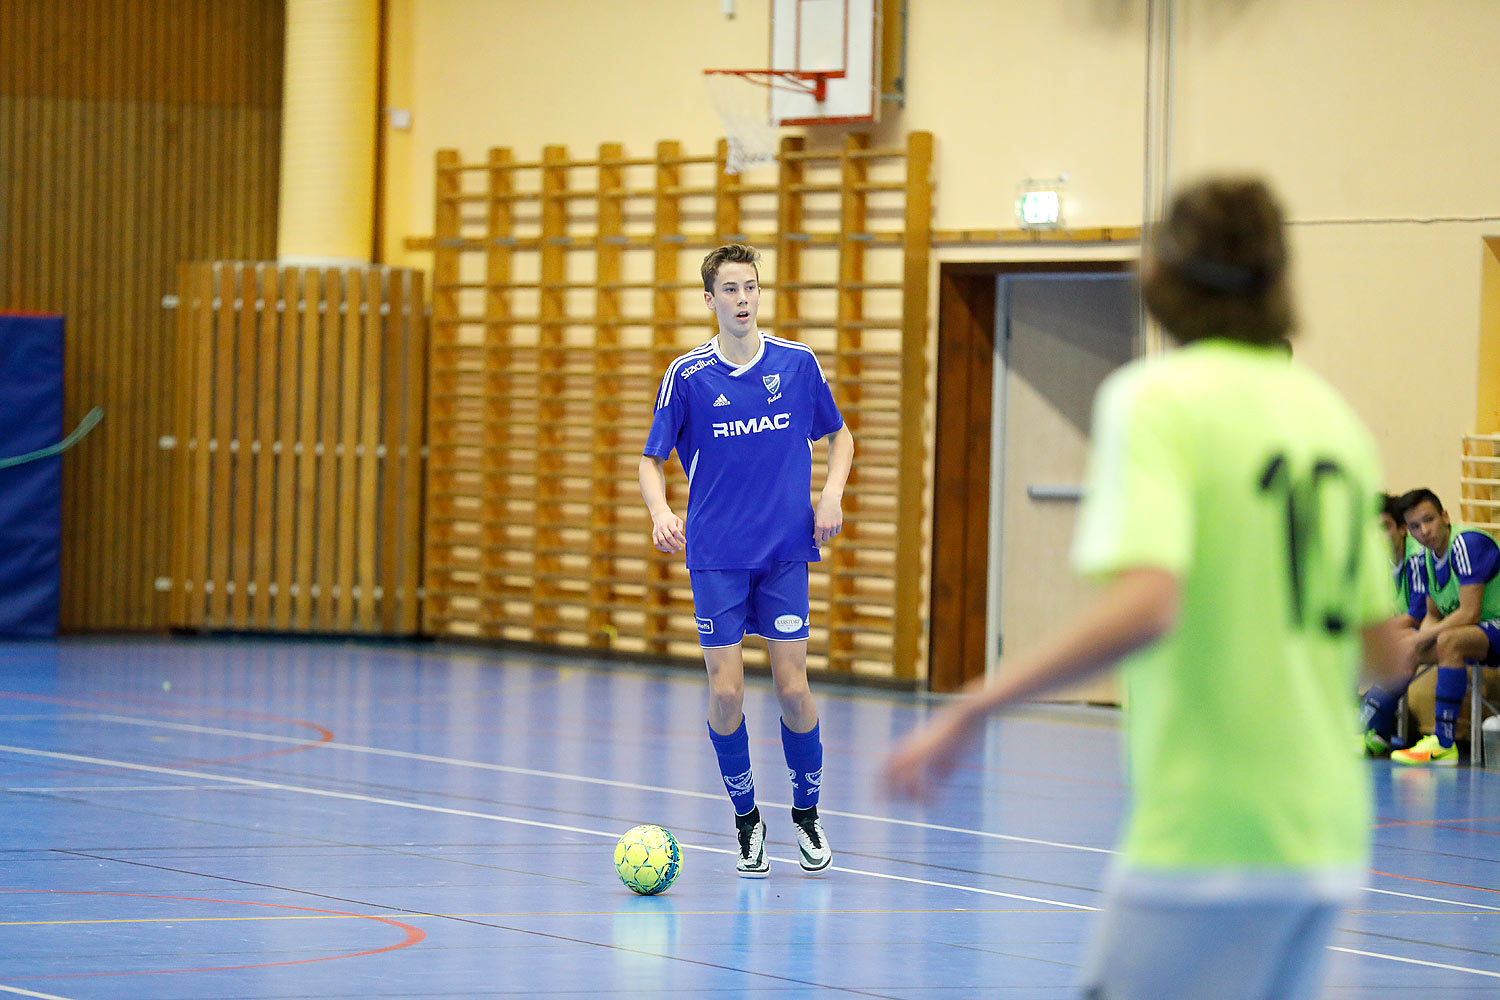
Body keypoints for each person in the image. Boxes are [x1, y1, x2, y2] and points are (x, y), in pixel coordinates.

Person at [884, 178, 1409, 1000]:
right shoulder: (1333, 421)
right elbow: (1383, 652)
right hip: (1328, 838)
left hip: (1207, 832)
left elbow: (1149, 603)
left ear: (1166, 273)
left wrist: (974, 704)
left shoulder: (1157, 400)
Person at [638, 243, 855, 877]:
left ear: (760, 294)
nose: (742, 299)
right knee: (727, 693)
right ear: (709, 299)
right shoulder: (688, 375)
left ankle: (808, 816)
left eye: (750, 288)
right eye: (729, 289)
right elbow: (650, 460)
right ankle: (746, 821)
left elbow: (839, 436)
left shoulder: (796, 364)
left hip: (785, 552)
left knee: (793, 689)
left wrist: (831, 496)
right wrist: (661, 513)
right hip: (716, 558)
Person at [1384, 489, 1500, 765]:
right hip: (1480, 635)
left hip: (1490, 628)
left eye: (1429, 520)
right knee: (1402, 649)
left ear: (1444, 516)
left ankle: (1444, 742)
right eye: (1415, 526)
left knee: (1448, 641)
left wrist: (1421, 636)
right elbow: (1433, 614)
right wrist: (1416, 641)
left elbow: (1469, 613)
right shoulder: (1425, 558)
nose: (1424, 531)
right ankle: (1372, 730)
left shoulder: (1466, 544)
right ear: (1408, 531)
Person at [1358, 491, 1429, 754]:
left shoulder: (1417, 557)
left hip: (1433, 629)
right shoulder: (1380, 564)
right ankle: (1369, 728)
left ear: (1401, 529)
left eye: (1385, 527)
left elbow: (1418, 614)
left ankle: (1370, 728)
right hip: (1408, 630)